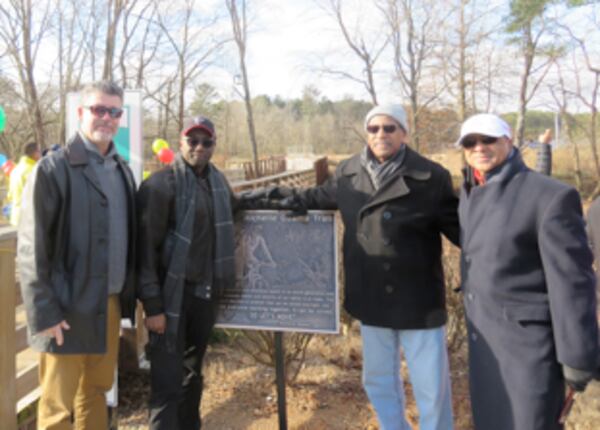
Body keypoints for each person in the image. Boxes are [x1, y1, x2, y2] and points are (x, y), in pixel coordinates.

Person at [249, 104, 459, 430]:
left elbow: (463, 231)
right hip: (371, 296)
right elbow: (310, 197)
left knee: (431, 388)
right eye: (374, 128)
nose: (381, 135)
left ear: (404, 132)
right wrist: (256, 197)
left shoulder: (431, 176)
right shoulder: (348, 173)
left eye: (389, 128)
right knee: (377, 380)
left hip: (418, 300)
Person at [456, 113, 599, 430]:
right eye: (470, 142)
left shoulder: (550, 197)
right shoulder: (470, 191)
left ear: (508, 141)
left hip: (528, 349)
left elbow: (573, 284)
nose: (479, 147)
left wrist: (577, 357)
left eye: (488, 139)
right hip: (486, 345)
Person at [17, 81, 137, 430]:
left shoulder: (122, 170)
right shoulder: (53, 169)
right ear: (81, 113)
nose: (107, 118)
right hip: (64, 310)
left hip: (109, 304)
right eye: (99, 109)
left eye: (115, 112)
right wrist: (45, 312)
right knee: (56, 408)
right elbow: (31, 248)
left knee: (97, 391)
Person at [137, 115, 243, 429]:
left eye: (206, 141)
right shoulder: (159, 185)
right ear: (180, 143)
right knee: (167, 384)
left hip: (204, 294)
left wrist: (283, 199)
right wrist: (153, 306)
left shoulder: (218, 183)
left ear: (214, 145)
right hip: (171, 298)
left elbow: (236, 207)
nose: (199, 146)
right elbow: (145, 253)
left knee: (192, 376)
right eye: (192, 140)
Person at [7, 141, 41, 226]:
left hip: (16, 217)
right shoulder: (34, 170)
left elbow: (10, 195)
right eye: (39, 151)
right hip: (29, 217)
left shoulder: (15, 170)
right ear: (35, 153)